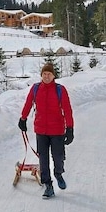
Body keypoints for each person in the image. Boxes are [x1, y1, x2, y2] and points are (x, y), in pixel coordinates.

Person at [19, 63, 74, 199]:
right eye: (44, 74)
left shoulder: (60, 90)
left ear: (53, 75)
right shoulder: (36, 88)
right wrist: (23, 118)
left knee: (58, 157)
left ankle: (58, 173)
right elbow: (28, 103)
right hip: (41, 131)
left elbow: (67, 110)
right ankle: (48, 185)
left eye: (49, 74)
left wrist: (70, 128)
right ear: (41, 75)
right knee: (43, 159)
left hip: (57, 130)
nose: (46, 76)